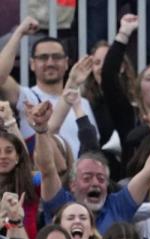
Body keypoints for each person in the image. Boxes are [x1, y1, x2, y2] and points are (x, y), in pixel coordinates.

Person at [34, 100, 150, 233]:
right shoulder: (59, 203)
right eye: (87, 178)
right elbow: (47, 169)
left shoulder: (118, 206)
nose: (95, 183)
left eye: (101, 179)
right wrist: (41, 130)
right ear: (73, 185)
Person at [0, 18, 100, 158]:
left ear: (66, 63)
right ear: (32, 64)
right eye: (43, 57)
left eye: (57, 57)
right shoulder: (25, 96)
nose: (50, 62)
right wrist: (19, 33)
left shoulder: (82, 103)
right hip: (43, 177)